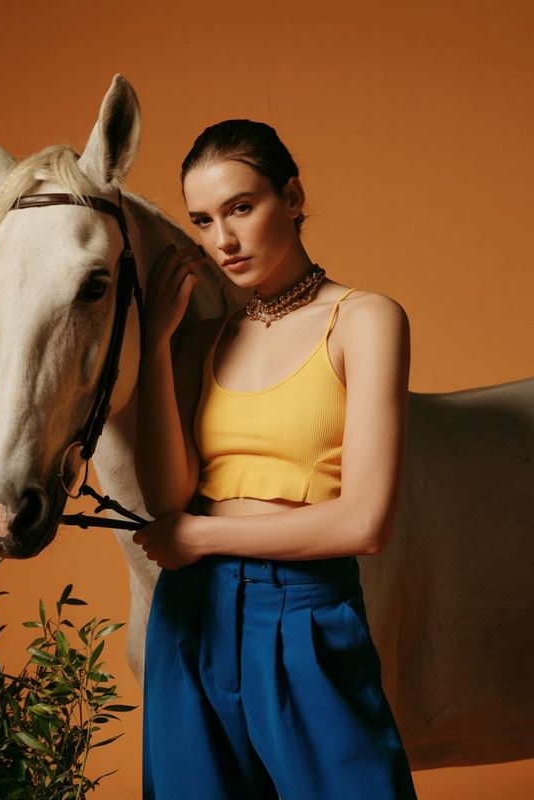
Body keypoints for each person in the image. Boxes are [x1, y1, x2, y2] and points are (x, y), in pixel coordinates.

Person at [132, 119, 418, 800]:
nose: (222, 240)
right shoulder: (199, 340)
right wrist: (154, 349)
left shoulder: (364, 319)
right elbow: (168, 499)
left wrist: (200, 535)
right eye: (202, 220)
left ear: (291, 196)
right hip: (190, 616)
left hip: (301, 613)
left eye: (241, 207)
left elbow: (364, 525)